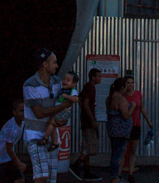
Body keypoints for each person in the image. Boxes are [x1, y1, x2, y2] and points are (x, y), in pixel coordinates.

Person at [23, 48, 74, 183]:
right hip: (34, 136)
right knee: (42, 176)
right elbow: (39, 113)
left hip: (51, 135)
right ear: (45, 64)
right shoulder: (30, 85)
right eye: (54, 62)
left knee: (51, 177)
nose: (57, 66)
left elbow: (67, 97)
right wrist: (64, 106)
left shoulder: (57, 82)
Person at [120, 75, 153, 183]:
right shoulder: (122, 96)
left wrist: (148, 121)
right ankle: (118, 174)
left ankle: (130, 173)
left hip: (136, 125)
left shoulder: (138, 94)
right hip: (125, 126)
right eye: (128, 83)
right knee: (123, 150)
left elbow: (142, 108)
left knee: (133, 150)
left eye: (132, 82)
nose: (130, 85)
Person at [72, 68, 103, 181]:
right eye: (98, 76)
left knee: (86, 146)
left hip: (85, 121)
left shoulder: (87, 87)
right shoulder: (90, 88)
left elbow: (79, 99)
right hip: (88, 123)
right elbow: (85, 103)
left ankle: (87, 171)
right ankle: (76, 164)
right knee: (91, 147)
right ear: (93, 77)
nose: (100, 78)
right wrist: (92, 119)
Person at [0, 99, 27, 183]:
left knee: (20, 179)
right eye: (21, 111)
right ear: (14, 112)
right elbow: (9, 148)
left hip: (7, 157)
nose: (24, 113)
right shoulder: (12, 128)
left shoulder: (22, 121)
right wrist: (19, 163)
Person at [39, 70, 79, 150]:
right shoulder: (62, 89)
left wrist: (67, 96)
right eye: (64, 79)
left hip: (63, 112)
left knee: (51, 123)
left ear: (74, 84)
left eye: (68, 80)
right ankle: (55, 142)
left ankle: (46, 138)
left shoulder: (72, 91)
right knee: (53, 126)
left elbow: (76, 99)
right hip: (58, 111)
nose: (65, 81)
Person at [106, 77, 136, 183]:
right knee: (118, 155)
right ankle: (115, 178)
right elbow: (126, 115)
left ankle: (115, 177)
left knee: (115, 153)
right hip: (120, 131)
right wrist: (132, 106)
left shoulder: (109, 98)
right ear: (122, 87)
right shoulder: (121, 99)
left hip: (112, 130)